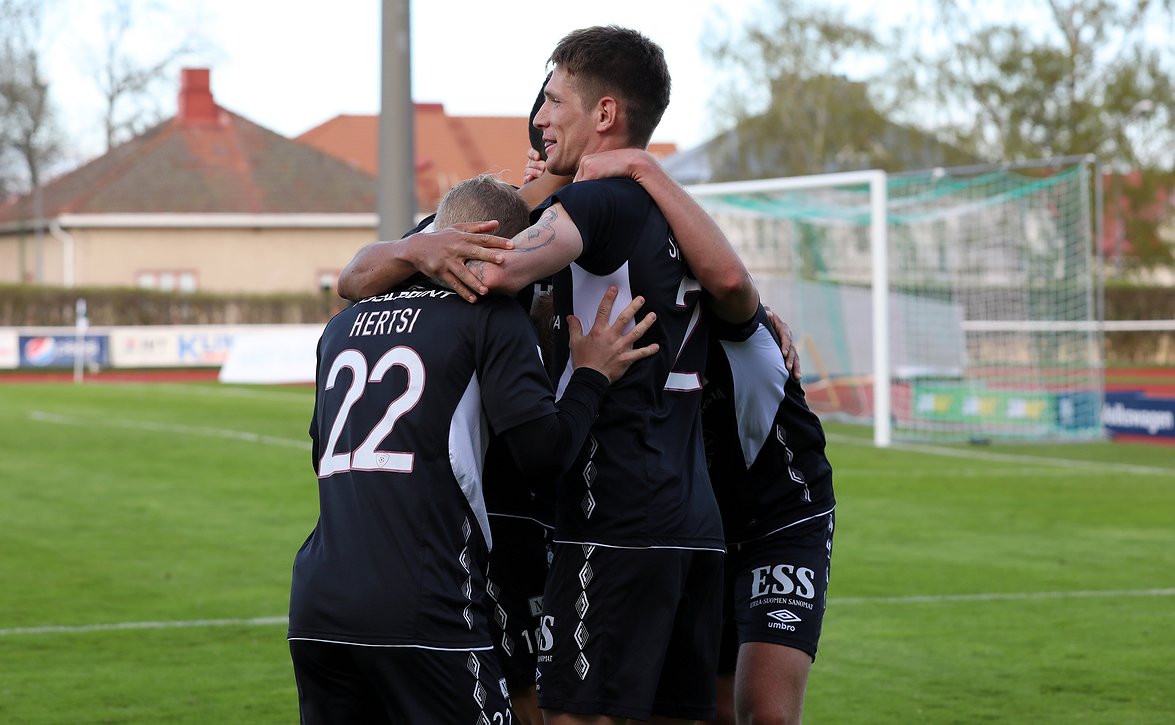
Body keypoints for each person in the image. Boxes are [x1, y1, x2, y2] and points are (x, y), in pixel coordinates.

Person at [337, 26, 760, 723]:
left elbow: (493, 267)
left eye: (554, 100)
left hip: (614, 517)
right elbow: (735, 288)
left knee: (571, 714)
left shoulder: (596, 203)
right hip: (694, 518)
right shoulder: (671, 212)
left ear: (602, 116)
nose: (538, 118)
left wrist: (525, 204)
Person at [286, 174, 660, 724]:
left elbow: (320, 451)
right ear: (502, 249)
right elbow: (544, 456)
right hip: (425, 605)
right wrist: (589, 376)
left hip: (318, 608)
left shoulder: (341, 327)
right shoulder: (489, 316)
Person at [572, 148, 835, 725]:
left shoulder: (737, 320)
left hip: (777, 519)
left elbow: (732, 279)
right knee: (701, 709)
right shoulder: (618, 332)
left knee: (765, 714)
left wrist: (643, 167)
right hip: (694, 529)